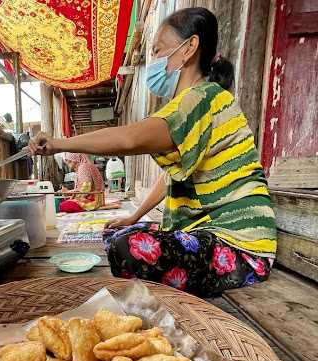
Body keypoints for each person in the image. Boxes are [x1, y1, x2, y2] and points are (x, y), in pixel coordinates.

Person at [29, 7, 276, 297]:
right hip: (208, 235)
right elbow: (172, 177)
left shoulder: (203, 98)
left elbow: (130, 139)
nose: (155, 62)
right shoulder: (191, 102)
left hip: (241, 247)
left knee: (128, 247)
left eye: (159, 51)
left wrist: (58, 143)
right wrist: (133, 217)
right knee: (117, 235)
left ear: (190, 48)